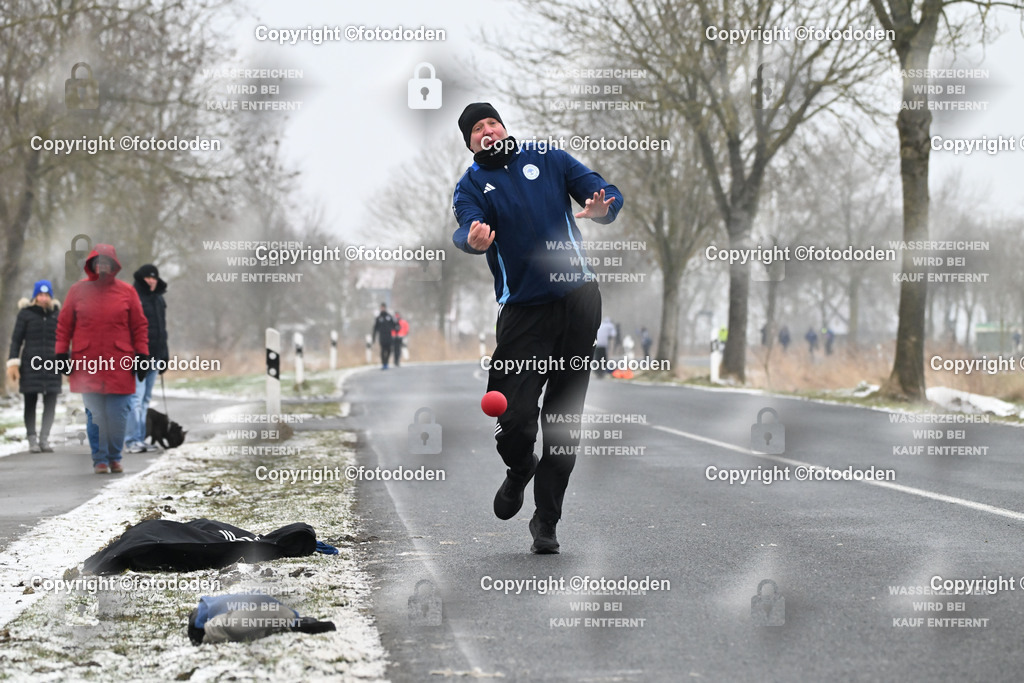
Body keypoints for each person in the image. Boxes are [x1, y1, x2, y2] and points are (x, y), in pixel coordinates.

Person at [452, 102, 623, 554]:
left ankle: (546, 521)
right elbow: (465, 227)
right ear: (470, 142)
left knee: (564, 422)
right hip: (524, 314)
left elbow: (603, 195)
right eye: (477, 129)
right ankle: (518, 468)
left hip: (578, 302)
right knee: (513, 416)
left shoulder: (549, 158)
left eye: (492, 122)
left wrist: (602, 206)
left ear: (504, 127)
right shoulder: (470, 185)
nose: (487, 130)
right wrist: (472, 238)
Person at [55, 245, 148, 474]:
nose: (103, 267)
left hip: (121, 363)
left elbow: (139, 326)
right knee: (95, 415)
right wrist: (60, 354)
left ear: (114, 265)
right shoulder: (77, 291)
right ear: (91, 265)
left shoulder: (127, 292)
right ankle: (100, 460)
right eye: (99, 262)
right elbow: (64, 325)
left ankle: (115, 456)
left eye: (107, 262)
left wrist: (143, 355)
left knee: (118, 414)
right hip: (88, 363)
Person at [7, 280, 62, 453]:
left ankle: (44, 438)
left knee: (51, 403)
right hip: (31, 364)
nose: (43, 298)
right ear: (35, 296)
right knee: (30, 402)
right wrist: (13, 362)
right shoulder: (25, 314)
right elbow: (16, 340)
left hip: (53, 364)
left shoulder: (57, 315)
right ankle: (32, 438)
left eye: (46, 295)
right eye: (40, 295)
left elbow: (63, 341)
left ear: (51, 297)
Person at [124, 264, 168, 453]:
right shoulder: (133, 297)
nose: (151, 281)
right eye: (148, 278)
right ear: (141, 279)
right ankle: (131, 439)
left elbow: (162, 330)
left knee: (146, 399)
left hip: (156, 355)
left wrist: (164, 355)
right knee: (135, 398)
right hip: (139, 357)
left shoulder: (159, 299)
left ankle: (140, 438)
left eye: (154, 278)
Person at [371, 303, 397, 370]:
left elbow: (394, 325)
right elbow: (375, 328)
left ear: (385, 308)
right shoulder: (378, 318)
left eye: (383, 307)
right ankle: (384, 363)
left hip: (389, 336)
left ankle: (387, 362)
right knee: (383, 350)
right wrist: (373, 337)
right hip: (382, 336)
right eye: (381, 308)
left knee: (389, 350)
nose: (382, 309)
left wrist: (397, 328)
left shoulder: (389, 316)